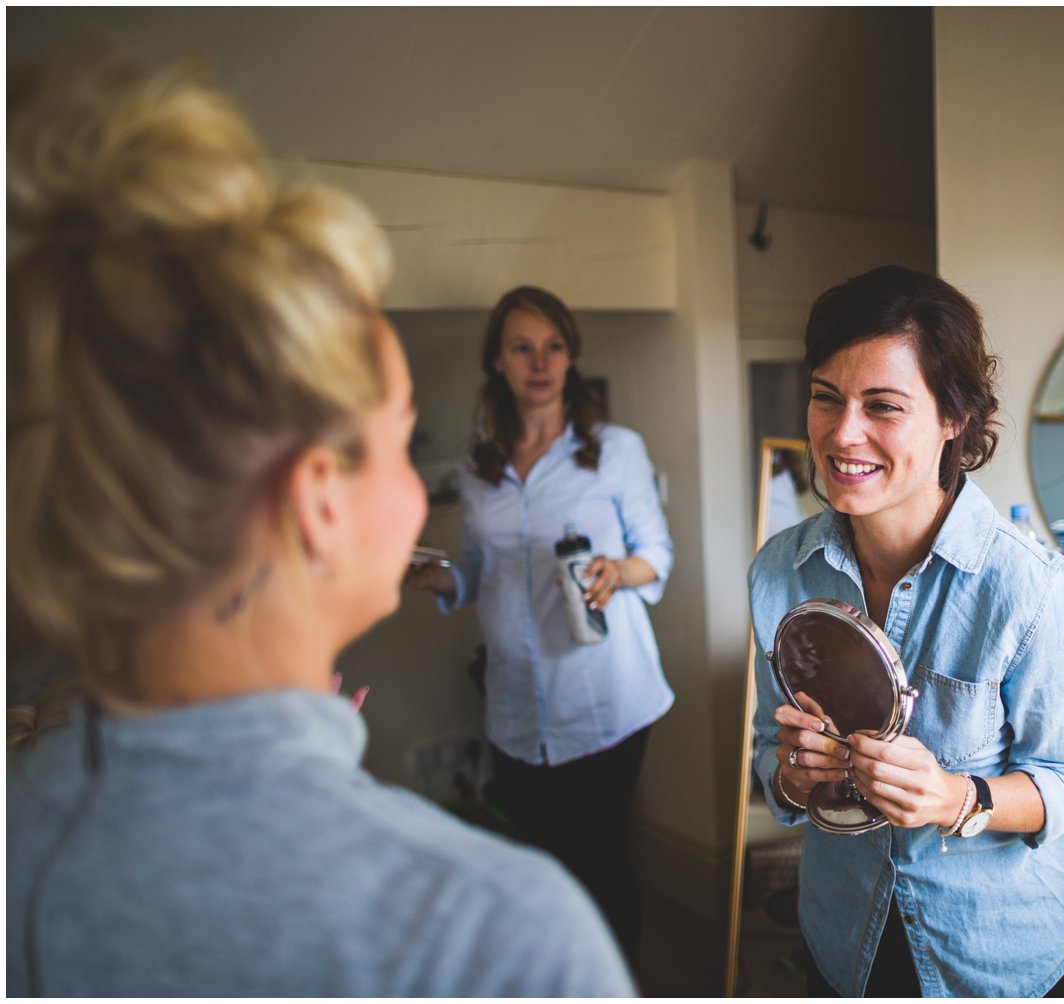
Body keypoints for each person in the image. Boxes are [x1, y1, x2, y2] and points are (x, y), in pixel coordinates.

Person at [5, 57, 632, 997]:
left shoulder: (24, 827)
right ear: (317, 500)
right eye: (394, 441)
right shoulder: (496, 940)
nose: (415, 488)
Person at [749, 266, 1064, 997]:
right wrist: (793, 774)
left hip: (1002, 960)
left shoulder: (1031, 591)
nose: (843, 433)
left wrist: (957, 799)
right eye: (826, 397)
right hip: (845, 945)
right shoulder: (780, 573)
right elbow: (769, 757)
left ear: (955, 418)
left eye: (882, 406)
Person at [405, 285, 673, 963]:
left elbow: (657, 555)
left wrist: (619, 569)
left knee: (601, 865)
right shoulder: (477, 468)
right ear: (497, 360)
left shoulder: (615, 450)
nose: (540, 361)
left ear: (571, 356)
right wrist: (443, 580)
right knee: (540, 873)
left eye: (553, 345)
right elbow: (478, 567)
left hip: (605, 698)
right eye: (522, 346)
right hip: (516, 706)